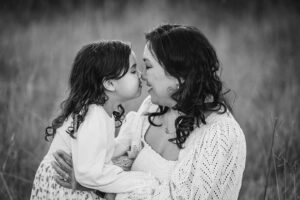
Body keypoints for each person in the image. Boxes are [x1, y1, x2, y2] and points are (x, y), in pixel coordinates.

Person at [52, 24, 247, 200]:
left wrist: (104, 190)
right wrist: (88, 179)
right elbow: (126, 163)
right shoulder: (153, 107)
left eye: (148, 66)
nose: (142, 77)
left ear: (178, 77)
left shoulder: (221, 136)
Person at [30, 41, 159, 200]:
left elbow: (104, 150)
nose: (141, 74)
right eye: (133, 71)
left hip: (69, 182)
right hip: (63, 187)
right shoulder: (93, 115)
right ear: (110, 83)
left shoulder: (101, 111)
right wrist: (138, 180)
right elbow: (88, 173)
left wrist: (128, 137)